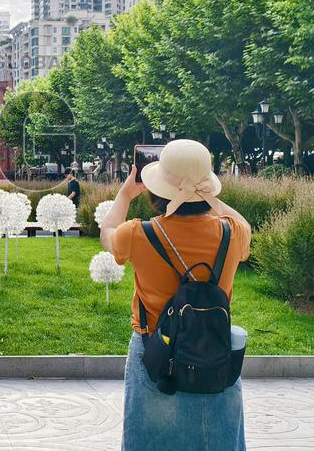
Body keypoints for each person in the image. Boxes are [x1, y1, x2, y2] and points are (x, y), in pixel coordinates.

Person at [99, 139, 251, 450]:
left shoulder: (138, 233)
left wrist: (126, 193)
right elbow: (244, 225)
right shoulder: (232, 232)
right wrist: (211, 198)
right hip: (214, 352)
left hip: (155, 352)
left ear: (156, 189)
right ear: (209, 185)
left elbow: (107, 234)